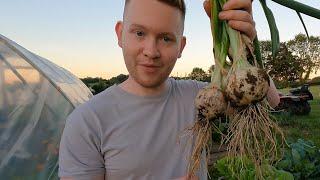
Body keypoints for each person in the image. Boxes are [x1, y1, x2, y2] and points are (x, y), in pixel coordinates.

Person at [58, 0, 280, 179]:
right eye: (139, 33)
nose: (151, 51)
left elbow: (271, 101)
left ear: (181, 47)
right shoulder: (86, 122)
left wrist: (243, 47)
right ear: (120, 34)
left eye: (166, 38)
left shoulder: (199, 97)